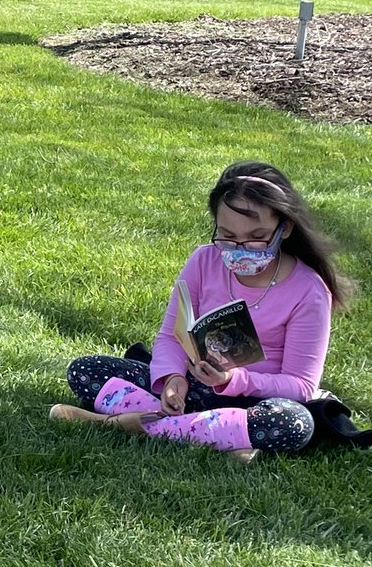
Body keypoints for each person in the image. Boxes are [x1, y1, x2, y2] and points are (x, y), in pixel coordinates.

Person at [51, 161, 349, 456]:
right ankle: (220, 436)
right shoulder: (204, 261)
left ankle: (121, 423)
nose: (240, 248)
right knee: (86, 370)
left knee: (292, 423)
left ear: (285, 229)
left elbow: (301, 385)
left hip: (256, 400)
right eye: (228, 237)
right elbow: (171, 336)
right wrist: (172, 379)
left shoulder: (309, 289)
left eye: (257, 238)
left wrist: (233, 380)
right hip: (192, 388)